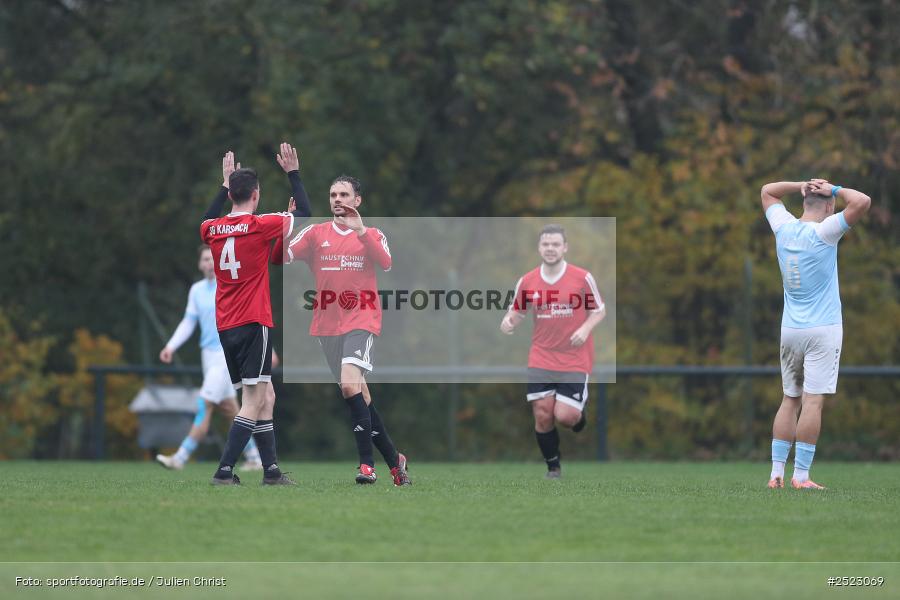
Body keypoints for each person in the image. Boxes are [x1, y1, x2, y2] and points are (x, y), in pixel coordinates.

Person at [272, 175, 411, 486]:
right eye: (333, 194)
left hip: (362, 320)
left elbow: (386, 262)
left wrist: (360, 230)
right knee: (359, 393)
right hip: (326, 325)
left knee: (349, 386)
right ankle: (395, 461)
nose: (337, 199)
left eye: (344, 194)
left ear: (357, 201)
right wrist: (284, 230)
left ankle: (366, 466)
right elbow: (278, 257)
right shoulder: (315, 234)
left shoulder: (372, 233)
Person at [200, 142, 310, 485]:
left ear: (231, 195)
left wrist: (223, 183)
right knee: (254, 399)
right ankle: (224, 470)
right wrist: (293, 173)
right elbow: (305, 212)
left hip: (225, 325)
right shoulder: (261, 224)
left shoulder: (212, 230)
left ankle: (272, 472)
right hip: (253, 321)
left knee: (266, 396)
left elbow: (206, 217)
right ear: (256, 195)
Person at [761, 178, 870, 490]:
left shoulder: (783, 227)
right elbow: (862, 201)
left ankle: (776, 473)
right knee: (813, 401)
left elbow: (767, 191)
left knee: (789, 399)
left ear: (804, 202)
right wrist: (833, 188)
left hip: (790, 329)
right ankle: (801, 477)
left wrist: (801, 185)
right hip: (823, 329)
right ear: (830, 207)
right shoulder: (826, 232)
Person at [500, 224, 606, 478]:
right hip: (542, 354)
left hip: (574, 357)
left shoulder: (581, 278)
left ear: (565, 247)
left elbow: (599, 310)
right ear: (539, 248)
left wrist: (584, 329)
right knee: (543, 413)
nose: (550, 248)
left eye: (555, 244)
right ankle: (553, 467)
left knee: (566, 416)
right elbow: (517, 311)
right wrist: (508, 321)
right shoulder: (528, 281)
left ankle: (578, 416)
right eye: (546, 244)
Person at [155, 245, 262, 471]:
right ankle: (254, 457)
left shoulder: (230, 286)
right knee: (230, 408)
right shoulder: (196, 290)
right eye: (205, 259)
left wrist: (263, 347)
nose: (209, 263)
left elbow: (250, 316)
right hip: (208, 357)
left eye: (213, 259)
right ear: (200, 264)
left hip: (226, 355)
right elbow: (188, 322)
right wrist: (171, 346)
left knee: (204, 404)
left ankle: (180, 458)